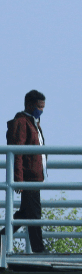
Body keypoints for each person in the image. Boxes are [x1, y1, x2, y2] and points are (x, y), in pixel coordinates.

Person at [2, 90, 48, 253]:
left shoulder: (33, 121)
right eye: (39, 106)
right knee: (34, 214)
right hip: (29, 177)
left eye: (43, 107)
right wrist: (18, 179)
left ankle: (1, 240)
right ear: (29, 105)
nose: (41, 110)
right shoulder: (22, 122)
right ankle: (39, 250)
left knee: (25, 213)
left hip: (35, 177)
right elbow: (17, 153)